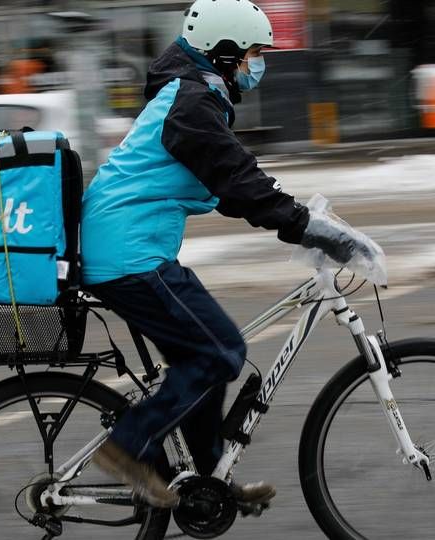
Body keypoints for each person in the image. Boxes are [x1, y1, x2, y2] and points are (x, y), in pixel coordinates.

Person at [81, 0, 377, 509]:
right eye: (253, 53)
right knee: (220, 353)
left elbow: (237, 177)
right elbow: (238, 182)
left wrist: (300, 217)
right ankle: (126, 449)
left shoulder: (194, 96)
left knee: (205, 358)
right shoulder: (191, 103)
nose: (257, 64)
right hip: (129, 258)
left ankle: (206, 480)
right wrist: (309, 227)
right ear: (223, 53)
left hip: (132, 251)